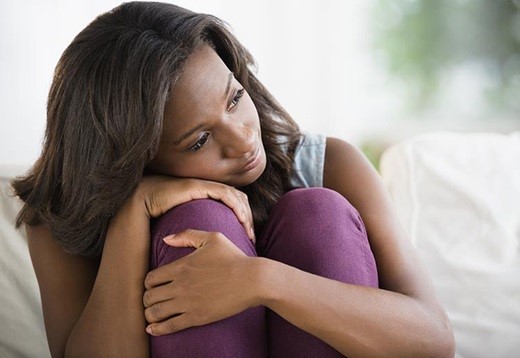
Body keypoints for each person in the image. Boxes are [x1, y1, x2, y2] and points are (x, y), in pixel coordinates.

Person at [12, 2, 455, 357]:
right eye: (200, 139)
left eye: (235, 98)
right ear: (132, 159)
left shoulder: (331, 163)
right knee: (201, 219)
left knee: (317, 210)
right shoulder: (60, 219)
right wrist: (134, 212)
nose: (243, 138)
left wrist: (260, 281)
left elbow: (434, 341)